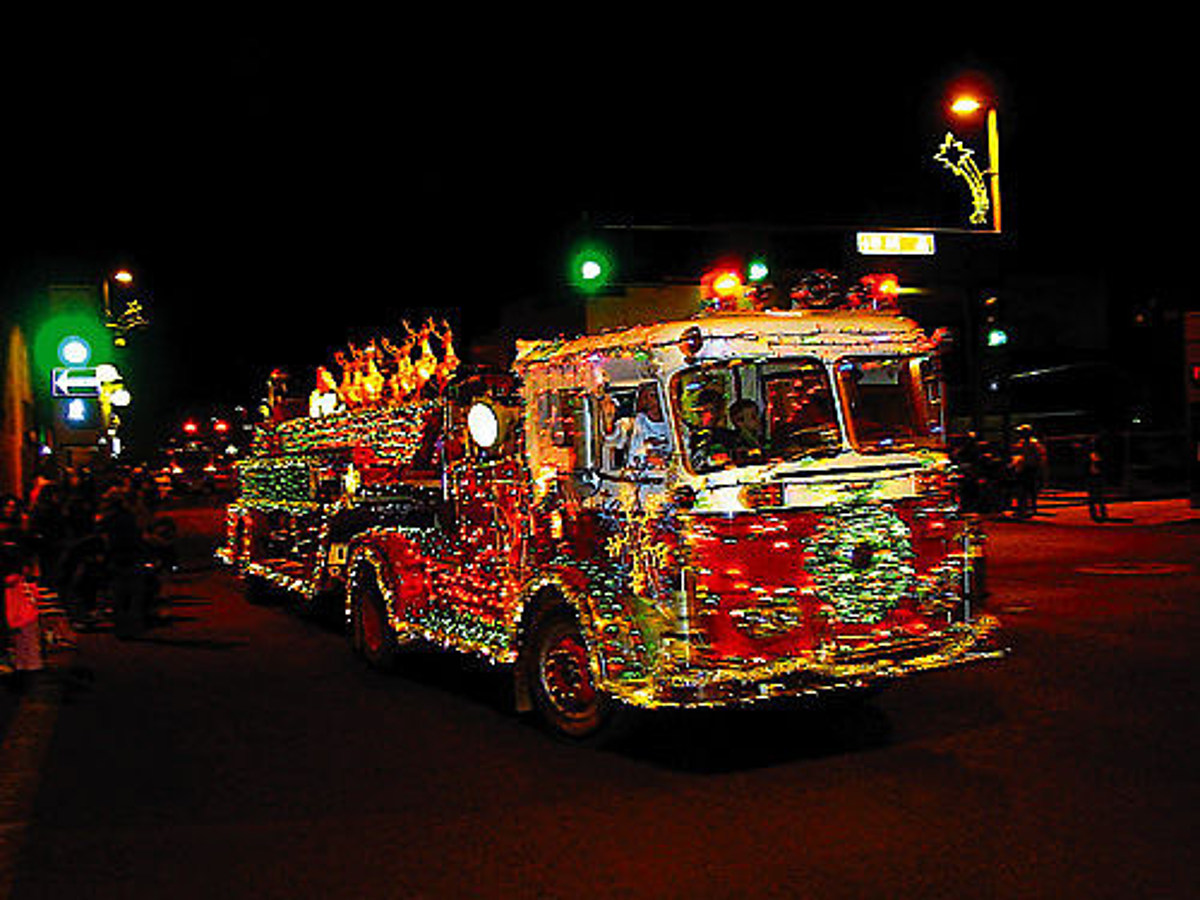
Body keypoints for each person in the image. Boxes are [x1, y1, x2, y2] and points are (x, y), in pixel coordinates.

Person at [3, 541, 44, 688]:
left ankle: (23, 664)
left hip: (15, 616)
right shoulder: (22, 583)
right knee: (29, 641)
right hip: (27, 615)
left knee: (21, 642)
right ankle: (31, 664)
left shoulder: (9, 584)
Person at [728, 398, 765, 465]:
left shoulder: (760, 438)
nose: (758, 420)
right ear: (739, 421)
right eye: (753, 417)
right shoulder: (736, 442)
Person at [1085, 435, 1108, 522]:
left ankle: (1101, 512)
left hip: (1097, 476)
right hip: (1092, 476)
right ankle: (1095, 513)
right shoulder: (1089, 455)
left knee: (1098, 496)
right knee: (1093, 496)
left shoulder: (1099, 455)